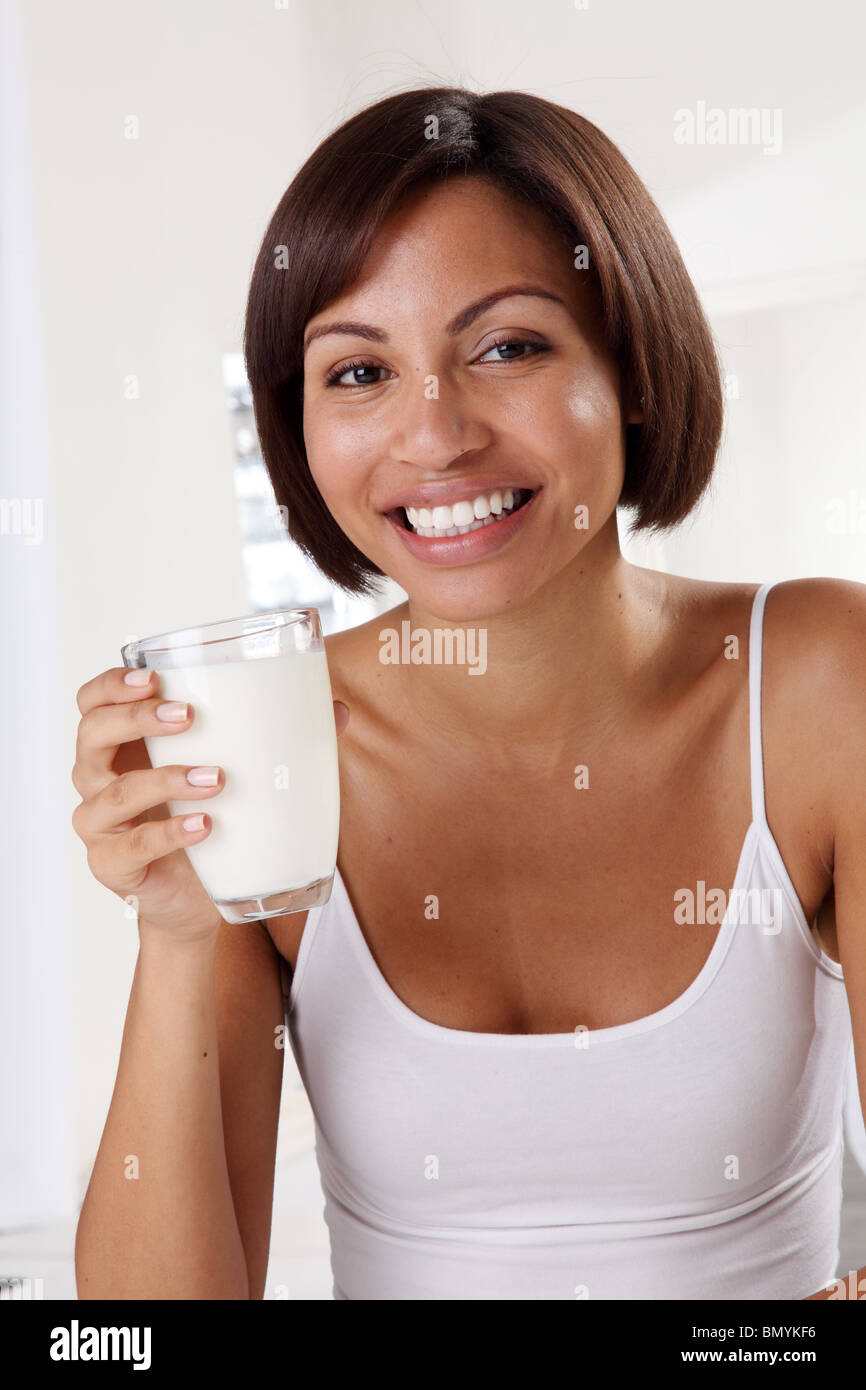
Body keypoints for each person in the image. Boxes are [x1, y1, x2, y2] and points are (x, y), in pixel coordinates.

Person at [72, 87, 866, 1301]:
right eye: (357, 372)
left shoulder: (816, 678)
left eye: (506, 347)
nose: (432, 435)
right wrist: (179, 932)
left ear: (633, 367)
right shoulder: (264, 746)